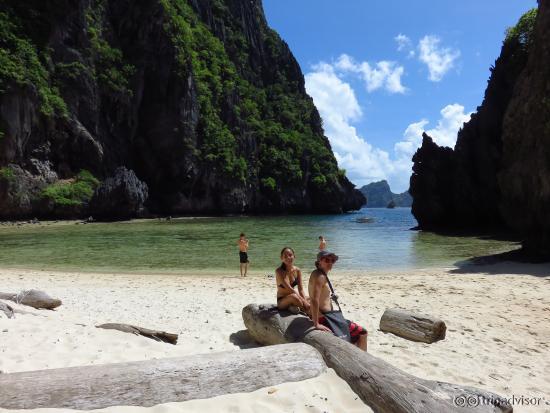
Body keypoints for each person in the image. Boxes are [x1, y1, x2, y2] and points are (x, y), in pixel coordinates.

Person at [308, 250, 367, 351]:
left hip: (326, 316)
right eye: (327, 260)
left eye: (332, 261)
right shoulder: (320, 276)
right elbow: (314, 300)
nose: (330, 263)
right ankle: (364, 359)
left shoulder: (318, 273)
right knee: (362, 332)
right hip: (326, 319)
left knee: (351, 337)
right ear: (319, 262)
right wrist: (316, 323)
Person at [276, 247, 310, 313]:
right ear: (281, 258)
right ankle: (308, 312)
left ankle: (295, 307)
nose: (288, 257)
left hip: (295, 296)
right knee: (295, 298)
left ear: (294, 256)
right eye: (285, 256)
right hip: (282, 301)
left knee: (312, 298)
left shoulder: (297, 270)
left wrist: (305, 300)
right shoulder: (279, 271)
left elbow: (301, 289)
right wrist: (304, 301)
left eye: (290, 255)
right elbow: (290, 289)